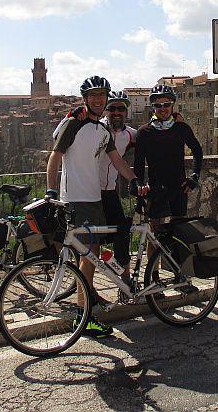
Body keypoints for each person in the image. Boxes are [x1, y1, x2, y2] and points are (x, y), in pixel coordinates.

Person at [46, 76, 140, 338]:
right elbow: (55, 157)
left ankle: (86, 301)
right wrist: (51, 190)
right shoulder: (73, 123)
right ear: (85, 98)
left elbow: (117, 160)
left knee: (91, 255)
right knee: (88, 257)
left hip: (95, 199)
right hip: (76, 199)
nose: (99, 99)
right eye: (94, 95)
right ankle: (83, 315)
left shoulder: (103, 131)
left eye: (102, 95)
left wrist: (134, 180)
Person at [134, 84, 203, 222]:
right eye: (158, 105)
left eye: (166, 104)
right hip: (156, 189)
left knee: (178, 231)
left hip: (179, 188)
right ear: (153, 107)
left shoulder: (181, 128)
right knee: (155, 233)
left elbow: (197, 150)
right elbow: (139, 163)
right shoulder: (144, 132)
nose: (162, 108)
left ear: (172, 105)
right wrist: (139, 189)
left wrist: (194, 176)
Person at [98, 91, 136, 293]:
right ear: (106, 110)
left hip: (111, 191)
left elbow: (150, 136)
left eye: (120, 108)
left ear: (126, 111)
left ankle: (125, 281)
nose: (116, 112)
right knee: (91, 239)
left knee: (122, 233)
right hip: (90, 192)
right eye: (112, 108)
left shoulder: (130, 134)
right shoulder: (96, 128)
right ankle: (87, 291)